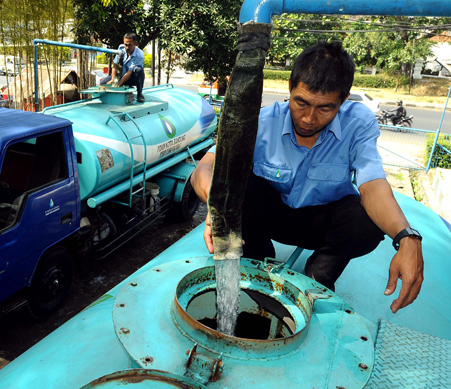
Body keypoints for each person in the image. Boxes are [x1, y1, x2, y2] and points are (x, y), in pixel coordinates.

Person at [190, 41, 423, 314]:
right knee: (238, 186)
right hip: (269, 218)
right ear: (290, 86)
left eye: (325, 108)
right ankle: (256, 252)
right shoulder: (261, 122)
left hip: (319, 223)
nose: (309, 118)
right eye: (301, 102)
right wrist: (218, 205)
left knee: (366, 222)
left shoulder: (358, 123)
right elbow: (205, 169)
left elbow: (372, 183)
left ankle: (321, 271)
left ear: (344, 100)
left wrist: (407, 237)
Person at [100, 33, 146, 103]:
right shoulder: (121, 48)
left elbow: (129, 72)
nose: (127, 47)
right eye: (125, 45)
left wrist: (118, 84)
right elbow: (115, 65)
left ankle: (140, 94)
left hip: (132, 77)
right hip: (121, 75)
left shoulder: (140, 55)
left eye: (129, 45)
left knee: (139, 70)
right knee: (103, 83)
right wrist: (113, 80)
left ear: (135, 43)